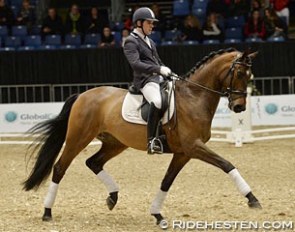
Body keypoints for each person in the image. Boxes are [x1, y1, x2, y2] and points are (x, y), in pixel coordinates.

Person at [123, 7, 172, 154]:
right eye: (149, 23)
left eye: (153, 23)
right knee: (157, 101)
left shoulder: (150, 41)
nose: (152, 26)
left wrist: (167, 71)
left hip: (156, 78)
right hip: (144, 81)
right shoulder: (131, 41)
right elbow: (136, 64)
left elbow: (157, 61)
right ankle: (151, 140)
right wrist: (158, 70)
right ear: (139, 23)